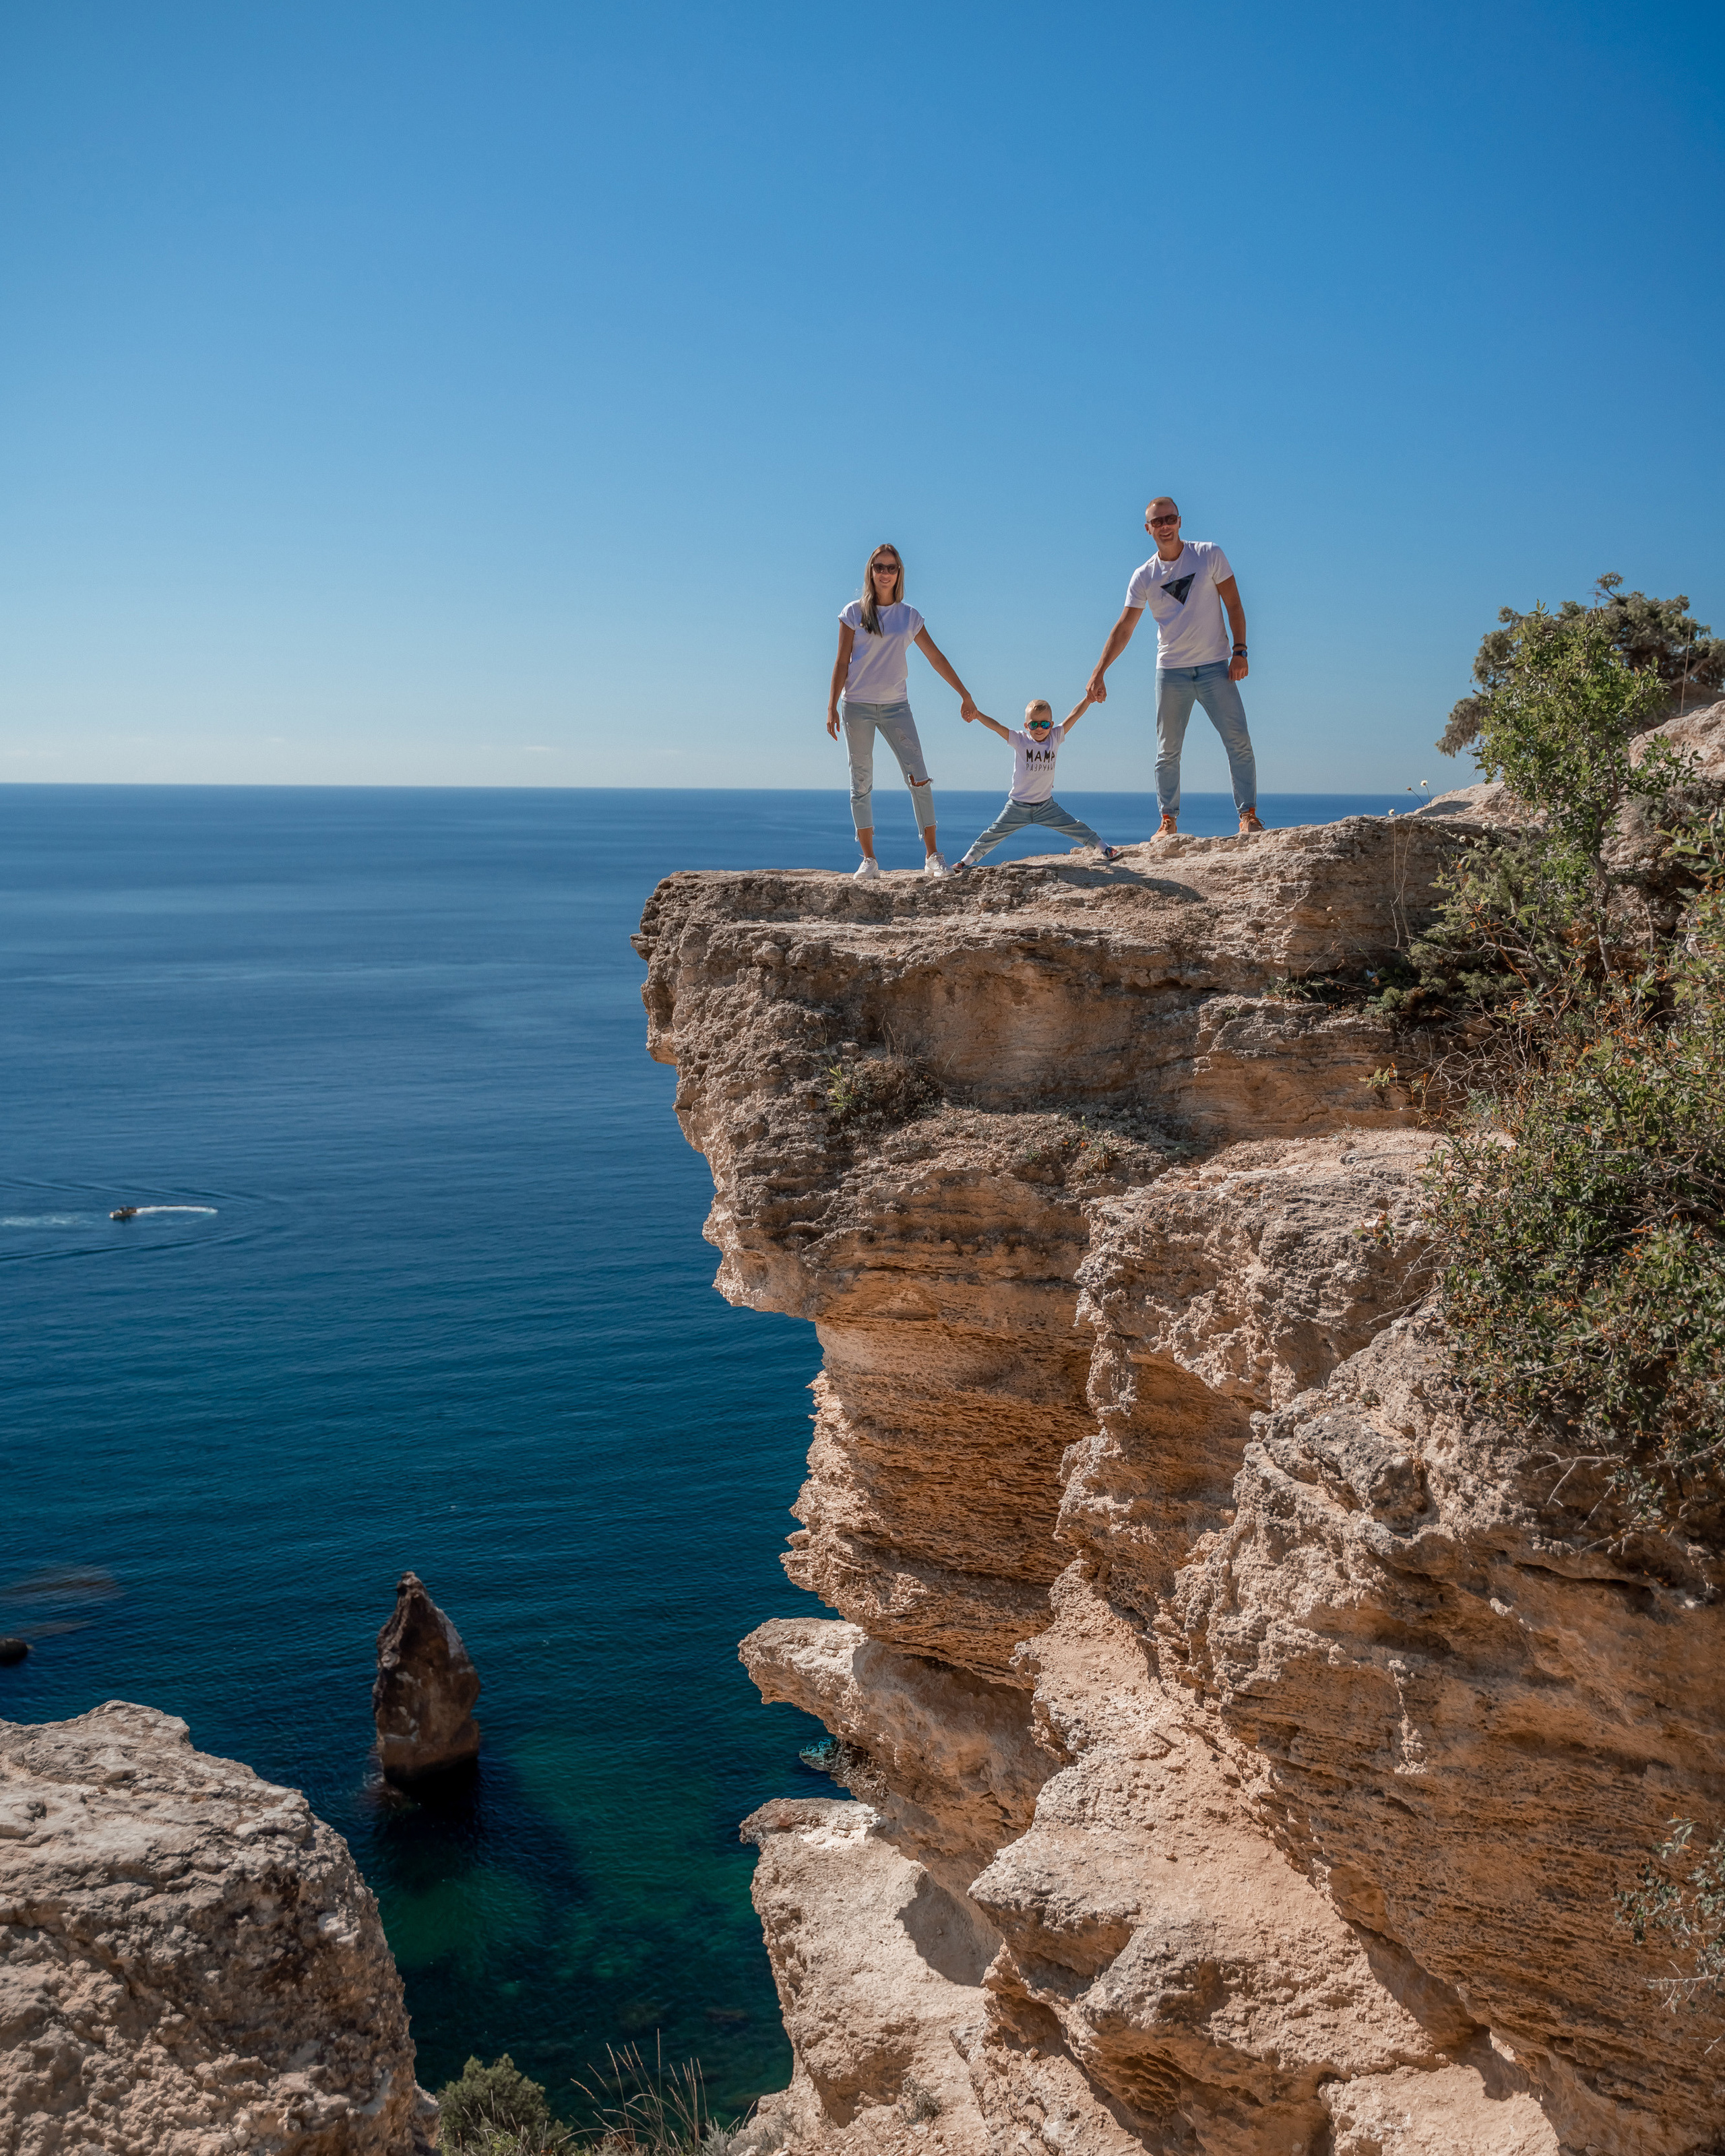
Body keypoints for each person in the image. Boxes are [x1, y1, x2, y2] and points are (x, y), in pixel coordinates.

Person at [1083, 497, 1263, 838]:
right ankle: (1168, 822)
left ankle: (1249, 816)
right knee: (1167, 751)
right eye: (1158, 522)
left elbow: (1235, 604)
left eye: (1171, 519)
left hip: (1215, 668)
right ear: (1147, 529)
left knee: (1238, 740)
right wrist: (1099, 670)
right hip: (1171, 672)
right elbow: (1124, 628)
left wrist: (1240, 651)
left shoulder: (1209, 555)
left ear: (1180, 522)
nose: (1165, 526)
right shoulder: (1144, 576)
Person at [827, 542, 980, 880]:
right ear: (871, 571)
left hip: (897, 707)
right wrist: (831, 706)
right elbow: (841, 662)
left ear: (899, 574)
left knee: (919, 776)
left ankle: (932, 856)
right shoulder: (853, 613)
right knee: (861, 781)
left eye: (891, 568)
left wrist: (964, 694)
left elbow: (936, 657)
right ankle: (869, 860)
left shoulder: (909, 616)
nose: (885, 573)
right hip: (856, 707)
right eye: (879, 567)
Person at [952, 697, 1122, 870]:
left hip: (1046, 806)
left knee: (1074, 827)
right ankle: (965, 861)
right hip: (1017, 806)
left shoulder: (1055, 737)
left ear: (1051, 724)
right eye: (1034, 725)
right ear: (1026, 726)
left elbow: (1074, 715)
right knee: (994, 834)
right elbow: (997, 727)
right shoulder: (1020, 739)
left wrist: (1088, 699)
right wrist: (977, 715)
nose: (1039, 729)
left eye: (1045, 724)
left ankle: (1105, 848)